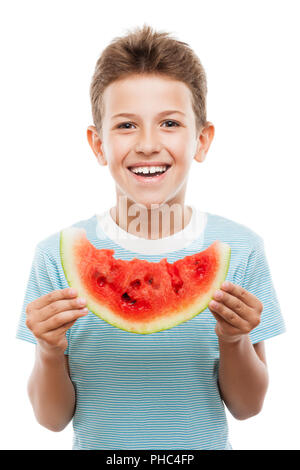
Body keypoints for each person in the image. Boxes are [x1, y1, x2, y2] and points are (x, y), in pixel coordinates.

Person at [16, 24, 286, 450]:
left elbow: (248, 407)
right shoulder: (56, 256)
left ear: (201, 139)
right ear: (98, 144)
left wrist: (233, 340)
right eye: (125, 125)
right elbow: (51, 420)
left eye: (170, 123)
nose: (147, 144)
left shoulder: (240, 249)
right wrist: (49, 351)